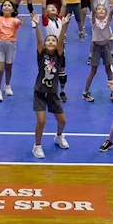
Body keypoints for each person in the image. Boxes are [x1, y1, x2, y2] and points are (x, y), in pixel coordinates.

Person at [31, 12, 70, 159]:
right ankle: (37, 146)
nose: (51, 42)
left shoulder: (58, 56)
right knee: (41, 121)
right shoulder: (41, 54)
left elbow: (60, 43)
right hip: (40, 93)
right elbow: (39, 40)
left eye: (53, 40)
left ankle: (59, 136)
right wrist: (37, 25)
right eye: (49, 40)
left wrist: (64, 26)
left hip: (53, 94)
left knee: (62, 121)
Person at [82, 0, 113, 102]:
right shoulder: (94, 22)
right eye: (99, 9)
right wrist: (91, 0)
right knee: (93, 71)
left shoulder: (107, 21)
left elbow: (111, 12)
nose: (101, 10)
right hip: (96, 48)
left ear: (106, 13)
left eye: (103, 9)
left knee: (108, 70)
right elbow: (93, 11)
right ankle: (85, 92)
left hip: (106, 47)